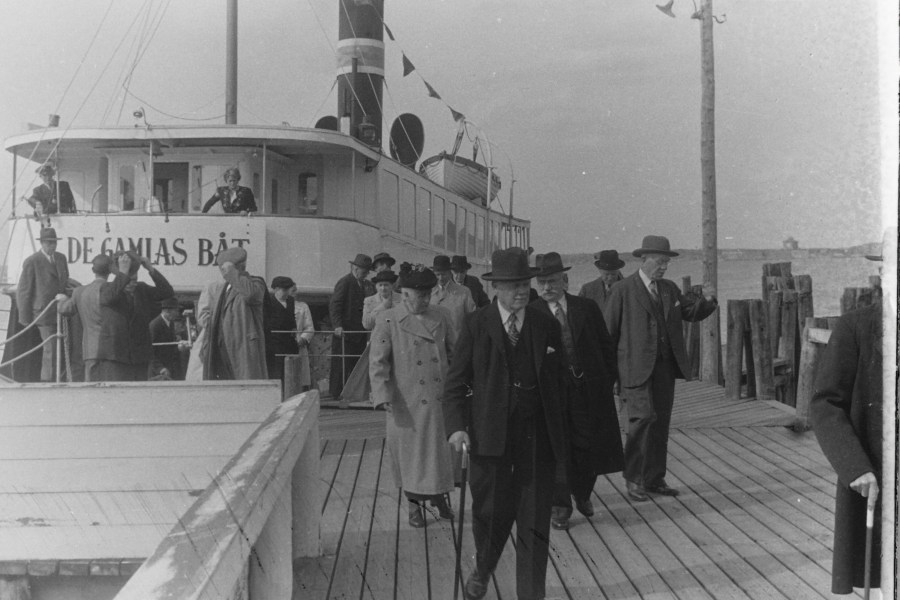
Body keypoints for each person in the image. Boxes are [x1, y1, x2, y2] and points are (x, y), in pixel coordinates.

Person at [443, 247, 567, 600]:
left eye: (525, 284)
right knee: (490, 514)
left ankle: (531, 594)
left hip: (536, 437)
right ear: (495, 287)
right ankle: (483, 568)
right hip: (489, 438)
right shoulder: (477, 324)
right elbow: (455, 384)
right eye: (513, 285)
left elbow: (560, 385)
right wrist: (456, 427)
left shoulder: (545, 324)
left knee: (534, 522)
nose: (522, 291)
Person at [603, 235, 718, 502]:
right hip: (634, 370)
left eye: (667, 262)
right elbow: (607, 336)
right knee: (641, 421)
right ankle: (634, 478)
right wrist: (611, 377)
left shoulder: (669, 289)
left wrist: (708, 300)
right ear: (644, 259)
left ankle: (655, 478)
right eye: (660, 261)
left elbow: (690, 313)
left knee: (660, 423)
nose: (664, 267)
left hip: (665, 369)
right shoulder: (622, 290)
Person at [532, 252, 623, 530]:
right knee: (556, 449)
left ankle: (582, 492)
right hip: (550, 397)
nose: (546, 287)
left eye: (552, 281)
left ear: (565, 280)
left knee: (587, 445)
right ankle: (560, 506)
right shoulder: (531, 314)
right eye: (541, 282)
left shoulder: (586, 308)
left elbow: (606, 347)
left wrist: (606, 382)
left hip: (587, 391)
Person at [811, 257, 884, 595]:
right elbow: (826, 404)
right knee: (883, 575)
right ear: (883, 273)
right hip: (877, 474)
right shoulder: (856, 327)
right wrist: (855, 467)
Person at [370, 263, 457, 527]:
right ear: (405, 294)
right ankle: (413, 505)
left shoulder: (442, 315)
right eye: (420, 295)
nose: (426, 300)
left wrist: (460, 389)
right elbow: (378, 362)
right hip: (406, 401)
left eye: (428, 294)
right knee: (411, 456)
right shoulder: (388, 319)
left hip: (438, 397)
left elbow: (455, 354)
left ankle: (439, 497)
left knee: (438, 453)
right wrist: (382, 395)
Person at [99, 250, 175, 381]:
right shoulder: (107, 288)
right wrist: (123, 273)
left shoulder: (142, 289)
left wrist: (150, 269)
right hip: (116, 356)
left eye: (135, 280)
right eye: (128, 280)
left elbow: (167, 292)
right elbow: (109, 298)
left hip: (139, 356)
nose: (132, 284)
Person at [200, 246, 268, 380]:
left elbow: (251, 295)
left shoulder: (255, 283)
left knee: (246, 386)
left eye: (225, 268)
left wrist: (234, 274)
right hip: (220, 349)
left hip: (242, 347)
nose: (222, 271)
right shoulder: (222, 289)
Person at [16, 227, 70, 381]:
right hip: (43, 313)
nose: (52, 246)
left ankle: (58, 379)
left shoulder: (61, 258)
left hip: (61, 311)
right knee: (50, 349)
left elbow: (65, 281)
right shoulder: (32, 261)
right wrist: (25, 318)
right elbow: (24, 291)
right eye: (48, 243)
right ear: (42, 243)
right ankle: (48, 382)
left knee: (59, 348)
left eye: (54, 243)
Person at [58, 254, 115, 382]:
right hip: (113, 350)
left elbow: (64, 310)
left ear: (93, 270)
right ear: (110, 270)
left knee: (90, 386)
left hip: (90, 349)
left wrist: (62, 300)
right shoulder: (113, 290)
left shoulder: (79, 291)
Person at [328, 253, 375, 397]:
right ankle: (336, 395)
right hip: (345, 333)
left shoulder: (364, 285)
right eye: (364, 271)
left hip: (358, 333)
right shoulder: (345, 282)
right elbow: (335, 305)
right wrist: (337, 325)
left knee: (355, 365)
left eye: (367, 271)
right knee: (341, 365)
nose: (366, 274)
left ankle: (351, 394)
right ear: (355, 268)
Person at [264, 276, 301, 384]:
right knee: (277, 372)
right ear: (276, 289)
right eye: (284, 290)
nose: (286, 293)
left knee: (290, 373)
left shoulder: (290, 301)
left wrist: (294, 328)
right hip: (275, 344)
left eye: (287, 290)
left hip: (289, 344)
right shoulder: (268, 302)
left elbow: (291, 318)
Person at [429, 254, 476, 335]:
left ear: (450, 273)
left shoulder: (464, 292)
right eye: (438, 274)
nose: (440, 278)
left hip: (456, 340)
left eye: (443, 274)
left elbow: (472, 318)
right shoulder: (428, 292)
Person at [149, 297, 190, 381]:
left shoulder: (170, 323)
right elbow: (149, 351)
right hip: (159, 372)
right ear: (167, 311)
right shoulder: (155, 326)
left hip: (170, 368)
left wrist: (179, 346)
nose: (178, 314)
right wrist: (160, 368)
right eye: (176, 311)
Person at [291, 288, 316, 391]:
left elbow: (309, 327)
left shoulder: (302, 306)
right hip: (282, 344)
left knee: (301, 375)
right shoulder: (275, 305)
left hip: (299, 344)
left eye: (294, 290)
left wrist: (303, 338)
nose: (293, 293)